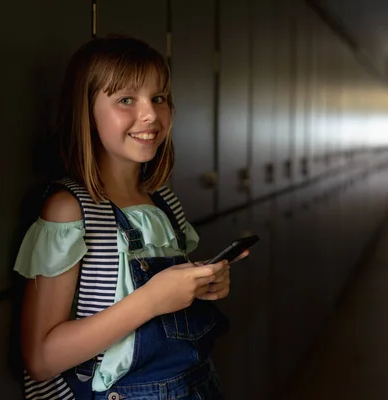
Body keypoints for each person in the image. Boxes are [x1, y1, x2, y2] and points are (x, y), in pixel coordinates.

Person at [13, 35, 247, 400]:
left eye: (159, 98)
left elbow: (169, 302)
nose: (151, 114)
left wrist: (200, 284)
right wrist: (152, 299)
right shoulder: (70, 211)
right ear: (85, 112)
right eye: (126, 100)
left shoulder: (164, 200)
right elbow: (42, 359)